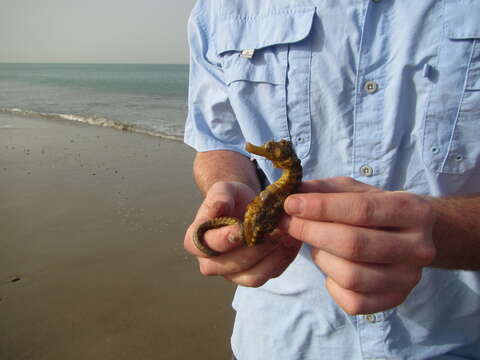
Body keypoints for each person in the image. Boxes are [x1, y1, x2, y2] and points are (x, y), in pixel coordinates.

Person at [183, 0, 480, 358]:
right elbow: (219, 142)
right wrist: (228, 185)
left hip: (456, 340)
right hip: (281, 339)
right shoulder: (219, 8)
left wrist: (445, 230)